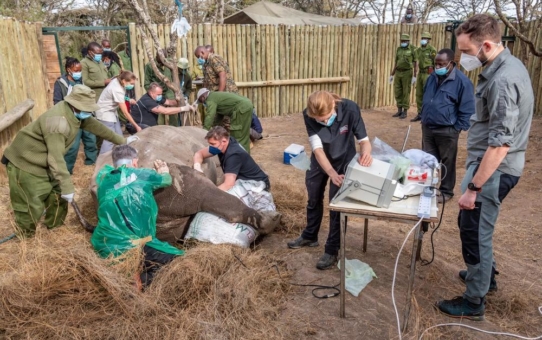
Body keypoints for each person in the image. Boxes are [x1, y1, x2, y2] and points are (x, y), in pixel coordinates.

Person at [435, 14, 534, 321]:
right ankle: (484, 277)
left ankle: (474, 300)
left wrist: (473, 188)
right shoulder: (502, 66)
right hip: (490, 166)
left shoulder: (504, 80)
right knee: (479, 227)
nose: (463, 58)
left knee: (474, 229)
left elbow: (501, 144)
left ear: (487, 45)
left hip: (493, 171)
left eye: (465, 52)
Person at [2, 85, 137, 238]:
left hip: (46, 161)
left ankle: (55, 229)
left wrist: (122, 140)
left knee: (57, 196)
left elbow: (98, 127)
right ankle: (26, 237)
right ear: (75, 105)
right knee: (30, 202)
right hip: (26, 162)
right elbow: (56, 158)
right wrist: (67, 186)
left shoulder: (76, 113)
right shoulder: (58, 123)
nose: (89, 111)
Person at [287, 91, 372, 270]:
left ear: (334, 104)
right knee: (313, 196)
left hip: (344, 160)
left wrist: (366, 153)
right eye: (320, 121)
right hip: (321, 160)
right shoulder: (308, 114)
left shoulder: (350, 108)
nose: (324, 123)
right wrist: (330, 172)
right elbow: (317, 150)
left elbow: (363, 140)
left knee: (336, 205)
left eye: (326, 118)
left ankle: (332, 250)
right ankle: (310, 235)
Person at [91, 145, 183, 289]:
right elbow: (166, 180)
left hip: (105, 244)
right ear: (135, 162)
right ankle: (139, 281)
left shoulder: (104, 182)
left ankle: (126, 272)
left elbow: (122, 186)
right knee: (177, 260)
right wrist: (164, 172)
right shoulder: (143, 175)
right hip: (133, 245)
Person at [420, 49, 475, 203]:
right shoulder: (432, 77)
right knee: (428, 161)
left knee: (447, 161)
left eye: (442, 64)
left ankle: (446, 191)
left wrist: (457, 128)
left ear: (451, 63)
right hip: (428, 127)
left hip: (447, 130)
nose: (438, 67)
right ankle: (428, 188)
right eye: (436, 64)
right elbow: (426, 97)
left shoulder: (462, 82)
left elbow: (468, 108)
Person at [53, 57, 98, 174]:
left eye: (80, 70)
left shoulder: (81, 80)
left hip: (85, 115)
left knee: (91, 139)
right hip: (71, 118)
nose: (79, 73)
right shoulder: (60, 83)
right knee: (73, 145)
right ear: (69, 69)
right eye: (76, 70)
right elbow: (57, 101)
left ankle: (91, 162)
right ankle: (67, 171)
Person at [193, 126, 270, 191]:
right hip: (243, 180)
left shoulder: (233, 155)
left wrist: (209, 194)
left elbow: (228, 184)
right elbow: (199, 153)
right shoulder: (226, 142)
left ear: (224, 141)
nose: (211, 146)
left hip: (258, 185)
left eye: (213, 144)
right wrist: (197, 167)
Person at [96, 70, 140, 154]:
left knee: (119, 136)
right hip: (105, 112)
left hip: (111, 111)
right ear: (124, 81)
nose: (132, 86)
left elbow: (118, 96)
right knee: (109, 139)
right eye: (131, 84)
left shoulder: (117, 80)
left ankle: (122, 155)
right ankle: (102, 161)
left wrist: (128, 99)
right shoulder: (117, 89)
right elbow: (125, 113)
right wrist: (136, 126)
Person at [196, 88, 253, 153]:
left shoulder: (210, 99)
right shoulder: (216, 96)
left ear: (203, 97)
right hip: (247, 105)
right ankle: (245, 157)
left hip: (241, 109)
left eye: (201, 101)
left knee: (237, 136)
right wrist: (214, 128)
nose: (202, 103)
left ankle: (239, 158)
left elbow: (210, 115)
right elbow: (219, 116)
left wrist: (204, 130)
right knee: (243, 135)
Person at [143, 49, 180, 126]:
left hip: (169, 91)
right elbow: (146, 84)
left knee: (173, 113)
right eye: (162, 59)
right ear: (157, 57)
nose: (164, 61)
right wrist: (153, 95)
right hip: (157, 93)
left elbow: (175, 77)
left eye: (165, 59)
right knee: (159, 115)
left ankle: (174, 129)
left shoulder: (169, 63)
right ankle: (159, 130)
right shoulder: (150, 66)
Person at [390, 34, 418, 119]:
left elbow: (415, 62)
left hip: (407, 72)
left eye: (405, 41)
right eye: (402, 41)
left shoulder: (413, 49)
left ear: (408, 41)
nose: (403, 42)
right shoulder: (399, 49)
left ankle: (405, 111)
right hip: (398, 72)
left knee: (406, 91)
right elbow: (396, 62)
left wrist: (414, 75)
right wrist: (392, 74)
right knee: (397, 91)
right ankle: (399, 110)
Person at [411, 32, 437, 122]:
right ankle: (420, 114)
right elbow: (415, 61)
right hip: (420, 73)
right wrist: (414, 74)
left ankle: (427, 114)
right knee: (419, 94)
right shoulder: (418, 50)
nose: (423, 40)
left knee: (428, 94)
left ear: (429, 40)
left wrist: (435, 76)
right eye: (422, 38)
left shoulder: (432, 50)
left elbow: (435, 63)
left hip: (428, 74)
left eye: (425, 38)